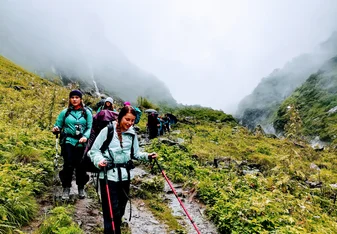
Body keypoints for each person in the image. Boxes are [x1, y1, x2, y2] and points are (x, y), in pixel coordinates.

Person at [89, 106, 157, 234]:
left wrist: (148, 156)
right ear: (120, 117)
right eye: (127, 119)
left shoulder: (132, 134)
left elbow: (136, 153)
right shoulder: (108, 130)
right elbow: (94, 150)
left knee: (120, 210)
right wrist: (99, 161)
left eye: (132, 121)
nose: (130, 123)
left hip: (125, 177)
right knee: (111, 212)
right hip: (108, 176)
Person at [52, 90, 93, 200]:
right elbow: (58, 125)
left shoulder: (86, 113)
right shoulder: (65, 112)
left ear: (81, 99)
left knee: (81, 166)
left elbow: (89, 127)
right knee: (68, 165)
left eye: (77, 97)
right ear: (70, 99)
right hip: (68, 141)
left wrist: (85, 136)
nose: (74, 99)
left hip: (81, 143)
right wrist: (56, 129)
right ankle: (66, 188)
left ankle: (81, 187)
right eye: (72, 97)